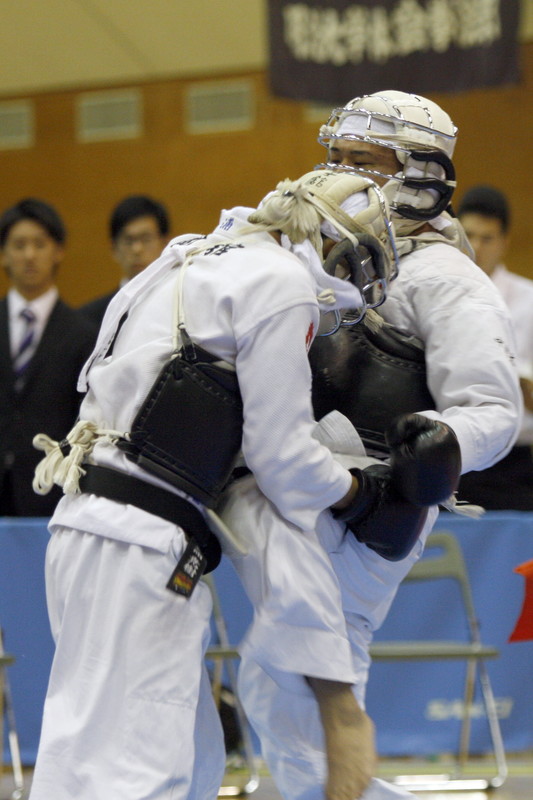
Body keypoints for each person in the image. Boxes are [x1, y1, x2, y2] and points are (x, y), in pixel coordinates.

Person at [28, 168, 458, 800]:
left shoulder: (191, 256)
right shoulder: (280, 283)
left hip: (87, 525)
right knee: (137, 771)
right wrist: (359, 494)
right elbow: (282, 460)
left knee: (179, 757)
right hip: (138, 542)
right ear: (332, 243)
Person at [221, 91, 521, 800]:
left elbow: (494, 410)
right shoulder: (332, 259)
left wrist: (438, 444)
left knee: (297, 689)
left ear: (421, 173)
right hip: (307, 488)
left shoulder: (447, 278)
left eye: (363, 164)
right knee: (276, 687)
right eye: (335, 161)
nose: (341, 179)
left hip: (373, 501)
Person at [0, 198, 97, 516]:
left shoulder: (84, 335)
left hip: (51, 494)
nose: (29, 255)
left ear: (58, 251)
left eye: (39, 244)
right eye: (19, 245)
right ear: (4, 254)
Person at [456, 184, 533, 509]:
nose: (476, 247)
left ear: (504, 243)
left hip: (513, 464)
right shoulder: (430, 294)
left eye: (487, 238)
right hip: (451, 452)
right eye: (468, 235)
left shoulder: (529, 301)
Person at [79, 194, 170, 326]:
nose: (137, 249)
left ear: (166, 244)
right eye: (128, 241)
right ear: (114, 249)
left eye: (146, 239)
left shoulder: (182, 308)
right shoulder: (89, 319)